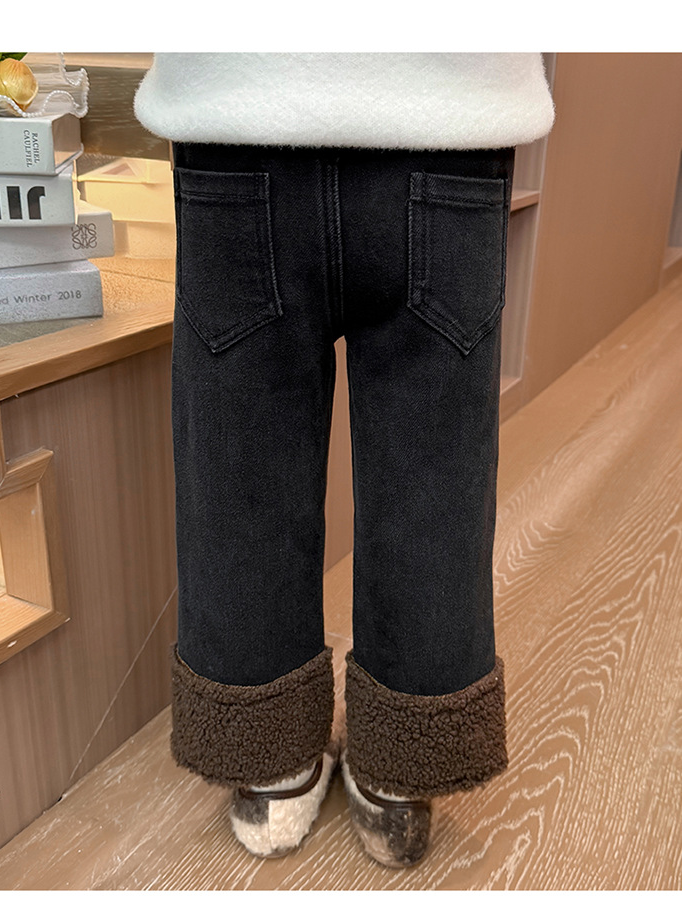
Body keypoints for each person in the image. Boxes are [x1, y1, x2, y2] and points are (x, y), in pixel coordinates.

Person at [134, 52, 555, 868]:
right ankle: (402, 771)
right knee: (434, 469)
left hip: (241, 105)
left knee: (241, 469)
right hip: (448, 110)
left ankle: (270, 765)